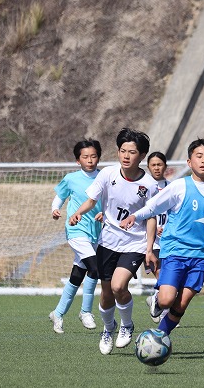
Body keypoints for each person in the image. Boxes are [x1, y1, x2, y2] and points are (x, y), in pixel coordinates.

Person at [120, 138, 204, 338]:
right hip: (176, 251)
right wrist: (135, 216)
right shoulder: (179, 186)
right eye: (199, 156)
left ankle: (160, 336)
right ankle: (157, 300)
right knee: (167, 300)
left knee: (182, 303)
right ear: (189, 162)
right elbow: (153, 206)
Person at [69, 128, 158, 355]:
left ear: (142, 155)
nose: (126, 156)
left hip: (134, 244)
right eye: (122, 151)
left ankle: (127, 325)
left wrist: (149, 249)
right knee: (107, 294)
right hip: (108, 242)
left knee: (119, 286)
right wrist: (78, 212)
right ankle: (109, 329)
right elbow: (92, 200)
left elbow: (151, 217)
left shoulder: (149, 185)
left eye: (132, 152)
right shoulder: (108, 174)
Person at [49, 139, 103, 334]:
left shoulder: (104, 177)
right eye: (85, 157)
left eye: (93, 156)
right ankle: (86, 311)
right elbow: (60, 196)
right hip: (75, 229)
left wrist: (104, 213)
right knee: (95, 268)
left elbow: (110, 201)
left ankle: (58, 313)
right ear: (77, 160)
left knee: (77, 274)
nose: (90, 160)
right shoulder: (71, 178)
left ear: (98, 158)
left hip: (97, 231)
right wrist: (55, 209)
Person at [145, 151, 169, 322]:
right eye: (153, 165)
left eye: (159, 164)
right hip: (149, 242)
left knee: (169, 279)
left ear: (165, 166)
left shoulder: (172, 187)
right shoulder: (143, 187)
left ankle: (155, 300)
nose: (156, 168)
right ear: (148, 167)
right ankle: (164, 313)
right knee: (162, 277)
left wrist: (167, 228)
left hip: (169, 241)